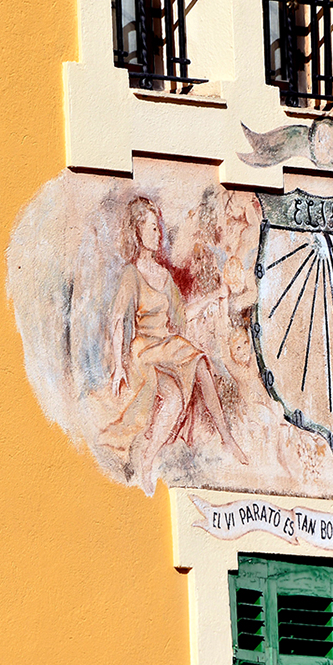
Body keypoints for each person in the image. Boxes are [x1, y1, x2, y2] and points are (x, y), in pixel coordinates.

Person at [104, 197, 247, 493]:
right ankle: (147, 459)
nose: (158, 234)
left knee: (201, 364)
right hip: (144, 350)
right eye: (152, 228)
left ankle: (227, 438)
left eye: (158, 228)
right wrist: (118, 365)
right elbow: (118, 319)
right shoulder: (132, 274)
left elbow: (181, 316)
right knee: (173, 400)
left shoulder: (164, 276)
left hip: (167, 344)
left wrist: (211, 297)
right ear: (138, 232)